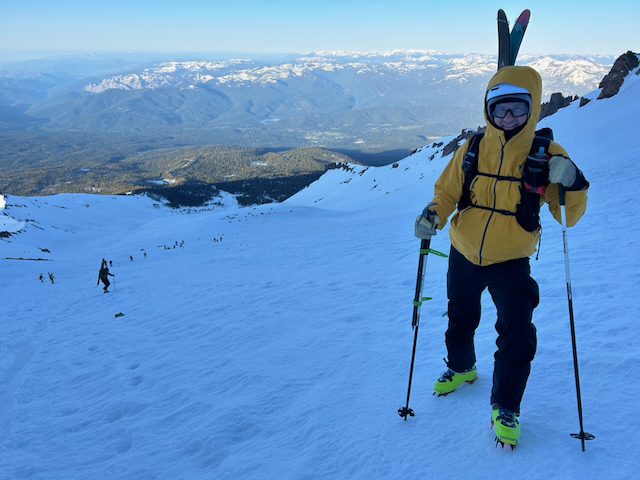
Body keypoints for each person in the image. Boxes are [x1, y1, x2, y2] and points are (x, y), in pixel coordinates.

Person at [414, 65, 588, 447]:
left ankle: (505, 405)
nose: (508, 118)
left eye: (518, 109)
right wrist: (434, 214)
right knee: (460, 315)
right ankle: (461, 367)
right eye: (499, 110)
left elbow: (567, 216)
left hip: (511, 260)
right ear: (488, 110)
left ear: (533, 108)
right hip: (463, 251)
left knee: (516, 333)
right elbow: (446, 191)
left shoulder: (547, 154)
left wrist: (572, 181)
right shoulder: (474, 148)